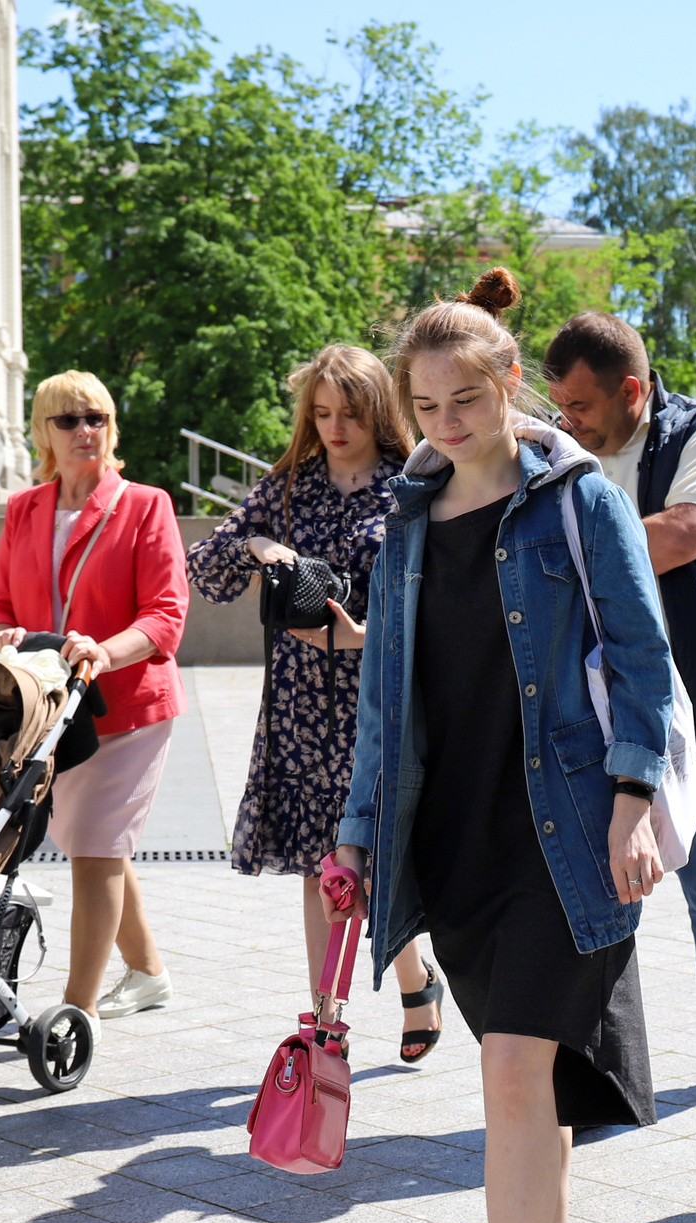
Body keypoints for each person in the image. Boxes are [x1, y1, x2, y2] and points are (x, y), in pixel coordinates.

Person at [332, 269, 677, 1223]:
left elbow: (641, 658)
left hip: (565, 826)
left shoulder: (579, 502)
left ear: (508, 381)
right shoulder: (405, 527)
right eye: (425, 408)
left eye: (463, 401)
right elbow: (384, 702)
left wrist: (634, 796)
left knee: (513, 1066)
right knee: (529, 1069)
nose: (445, 425)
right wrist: (357, 838)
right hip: (456, 834)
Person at [543, 313, 696, 1101]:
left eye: (580, 406)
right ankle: (596, 1060)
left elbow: (682, 535)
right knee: (591, 882)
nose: (566, 421)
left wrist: (562, 561)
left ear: (633, 390)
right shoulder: (557, 448)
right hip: (591, 703)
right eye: (558, 405)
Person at [188, 346, 445, 1061]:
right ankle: (326, 1025)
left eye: (351, 414)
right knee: (318, 869)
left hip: (375, 705)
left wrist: (366, 639)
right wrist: (262, 545)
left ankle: (415, 977)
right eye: (322, 413)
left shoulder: (407, 487)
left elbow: (440, 601)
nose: (335, 427)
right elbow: (204, 568)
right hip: (301, 709)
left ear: (377, 412)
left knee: (372, 864)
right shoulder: (289, 488)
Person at [0, 372, 188, 1022]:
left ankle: (78, 1009)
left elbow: (165, 615)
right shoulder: (25, 509)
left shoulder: (145, 504)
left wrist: (105, 649)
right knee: (95, 840)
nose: (84, 431)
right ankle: (148, 973)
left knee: (96, 846)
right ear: (43, 431)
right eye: (68, 420)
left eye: (95, 417)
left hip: (127, 707)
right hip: (50, 709)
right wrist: (1, 635)